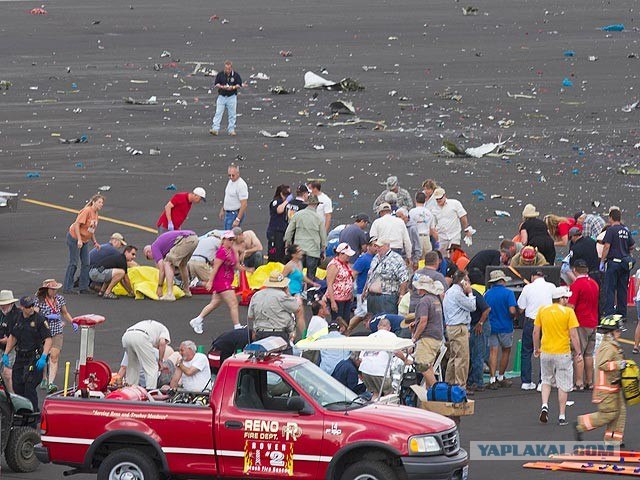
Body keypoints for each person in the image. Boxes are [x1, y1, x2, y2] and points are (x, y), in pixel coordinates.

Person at [575, 315, 627, 445]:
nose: (619, 333)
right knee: (609, 414)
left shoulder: (612, 345)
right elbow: (602, 364)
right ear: (610, 332)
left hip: (615, 386)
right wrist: (619, 365)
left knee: (620, 413)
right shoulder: (608, 347)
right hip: (607, 389)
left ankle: (613, 440)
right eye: (617, 330)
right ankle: (581, 424)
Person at [534, 286, 581, 426]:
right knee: (563, 384)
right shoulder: (568, 312)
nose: (568, 300)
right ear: (561, 299)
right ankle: (561, 415)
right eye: (566, 297)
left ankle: (544, 405)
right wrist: (578, 352)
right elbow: (573, 335)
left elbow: (536, 332)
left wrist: (537, 348)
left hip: (546, 351)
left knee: (546, 380)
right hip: (562, 352)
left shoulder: (542, 310)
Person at [3, 296, 52, 411]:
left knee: (29, 388)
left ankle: (33, 415)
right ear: (22, 307)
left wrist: (44, 356)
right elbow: (13, 337)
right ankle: (23, 412)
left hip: (34, 358)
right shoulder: (17, 318)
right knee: (17, 386)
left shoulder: (39, 319)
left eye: (32, 306)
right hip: (20, 357)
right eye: (28, 306)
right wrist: (6, 353)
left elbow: (48, 339)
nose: (31, 308)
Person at [190, 230, 243, 334]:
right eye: (230, 239)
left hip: (227, 279)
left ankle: (198, 320)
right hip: (222, 281)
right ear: (223, 240)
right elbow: (215, 268)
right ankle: (237, 326)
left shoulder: (231, 251)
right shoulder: (221, 252)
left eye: (233, 239)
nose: (232, 241)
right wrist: (210, 282)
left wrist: (247, 269)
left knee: (214, 303)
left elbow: (235, 265)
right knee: (233, 303)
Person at [34, 279, 77, 393]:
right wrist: (47, 317)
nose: (55, 291)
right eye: (52, 289)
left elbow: (64, 312)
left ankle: (51, 383)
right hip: (43, 331)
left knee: (54, 356)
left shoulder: (60, 299)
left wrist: (73, 321)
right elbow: (35, 315)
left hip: (57, 330)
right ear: (46, 290)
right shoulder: (39, 300)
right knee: (45, 355)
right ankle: (44, 377)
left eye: (56, 289)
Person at [517, 271, 555, 391]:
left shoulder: (528, 288)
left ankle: (526, 382)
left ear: (533, 277)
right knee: (546, 352)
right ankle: (542, 381)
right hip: (547, 321)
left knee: (526, 352)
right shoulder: (551, 287)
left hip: (531, 321)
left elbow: (521, 307)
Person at [359, 318, 411, 399]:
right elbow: (397, 351)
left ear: (378, 327)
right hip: (379, 371)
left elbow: (361, 358)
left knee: (376, 394)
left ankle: (373, 409)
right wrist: (405, 360)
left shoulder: (370, 336)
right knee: (388, 394)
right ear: (389, 328)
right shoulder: (391, 336)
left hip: (365, 370)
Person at [247, 272, 299, 352]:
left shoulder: (257, 295)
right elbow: (296, 308)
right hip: (278, 333)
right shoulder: (282, 296)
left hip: (260, 333)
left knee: (262, 359)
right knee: (284, 359)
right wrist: (288, 294)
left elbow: (250, 316)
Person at [408, 274, 445, 388]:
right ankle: (431, 394)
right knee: (429, 367)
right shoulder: (435, 299)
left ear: (421, 289)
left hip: (427, 338)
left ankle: (436, 390)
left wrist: (414, 337)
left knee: (422, 366)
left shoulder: (424, 301)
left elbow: (424, 321)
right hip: (437, 337)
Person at [64, 193, 104, 294]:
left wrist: (95, 242)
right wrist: (79, 240)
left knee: (86, 263)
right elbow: (77, 224)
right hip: (74, 238)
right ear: (94, 202)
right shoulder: (87, 211)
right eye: (99, 202)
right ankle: (67, 287)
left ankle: (83, 287)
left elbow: (91, 230)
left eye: (102, 203)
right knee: (73, 262)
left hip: (85, 240)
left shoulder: (96, 214)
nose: (101, 204)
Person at [569, 260, 599, 390]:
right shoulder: (594, 284)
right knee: (589, 354)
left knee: (578, 352)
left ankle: (579, 382)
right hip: (593, 322)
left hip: (580, 322)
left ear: (575, 270)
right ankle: (590, 381)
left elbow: (571, 306)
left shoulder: (576, 285)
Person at [484, 270, 517, 389]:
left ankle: (492, 378)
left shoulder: (487, 294)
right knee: (506, 351)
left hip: (492, 326)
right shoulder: (508, 293)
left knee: (493, 352)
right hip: (506, 326)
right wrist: (514, 317)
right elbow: (512, 310)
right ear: (502, 281)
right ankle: (501, 376)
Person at [143, 230, 198, 301]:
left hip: (185, 240)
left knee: (168, 263)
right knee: (182, 265)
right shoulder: (161, 246)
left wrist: (160, 287)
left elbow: (162, 269)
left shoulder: (154, 247)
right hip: (194, 238)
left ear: (148, 252)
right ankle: (187, 290)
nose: (151, 259)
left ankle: (170, 294)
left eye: (147, 257)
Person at [443, 271, 476, 387]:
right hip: (459, 327)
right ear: (462, 281)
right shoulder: (458, 294)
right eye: (467, 281)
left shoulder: (449, 292)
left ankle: (449, 384)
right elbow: (472, 306)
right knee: (462, 358)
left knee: (453, 357)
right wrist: (470, 293)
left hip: (451, 327)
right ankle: (460, 386)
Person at [284, 194, 327, 281]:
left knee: (296, 275)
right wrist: (323, 250)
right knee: (311, 276)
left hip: (299, 250)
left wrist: (287, 245)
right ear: (317, 205)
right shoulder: (319, 218)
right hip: (313, 250)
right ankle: (309, 293)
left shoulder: (298, 215)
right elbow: (323, 236)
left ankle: (296, 292)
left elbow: (289, 232)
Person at [600, 209, 635, 317]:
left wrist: (602, 260)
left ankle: (609, 313)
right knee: (622, 289)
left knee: (610, 289)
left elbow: (606, 246)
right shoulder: (625, 230)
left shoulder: (611, 230)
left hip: (613, 263)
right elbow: (632, 245)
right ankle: (622, 313)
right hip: (624, 263)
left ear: (611, 217)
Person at [363, 239, 409, 316]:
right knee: (372, 322)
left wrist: (401, 296)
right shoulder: (375, 258)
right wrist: (365, 290)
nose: (377, 249)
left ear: (387, 246)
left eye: (380, 246)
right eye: (376, 246)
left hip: (387, 298)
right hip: (372, 297)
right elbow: (370, 275)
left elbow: (404, 279)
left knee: (386, 321)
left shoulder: (396, 259)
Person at [121, 320, 171, 390]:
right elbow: (162, 343)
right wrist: (160, 361)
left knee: (133, 366)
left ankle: (131, 389)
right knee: (152, 367)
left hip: (126, 336)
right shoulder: (164, 330)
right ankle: (150, 392)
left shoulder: (152, 326)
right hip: (142, 336)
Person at [282, 244, 320, 332]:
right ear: (293, 255)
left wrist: (312, 283)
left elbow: (301, 276)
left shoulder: (299, 263)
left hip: (297, 292)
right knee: (298, 313)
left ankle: (301, 335)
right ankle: (299, 334)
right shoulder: (289, 266)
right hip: (291, 293)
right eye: (299, 251)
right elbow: (282, 278)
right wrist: (286, 292)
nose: (301, 253)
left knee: (299, 314)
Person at [347, 239, 378, 333]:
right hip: (363, 293)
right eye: (374, 245)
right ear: (368, 246)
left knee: (360, 315)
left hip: (368, 292)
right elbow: (353, 274)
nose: (376, 248)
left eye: (377, 246)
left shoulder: (376, 258)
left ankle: (346, 331)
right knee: (373, 314)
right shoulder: (363, 259)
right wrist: (351, 290)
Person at [431, 188, 472, 255]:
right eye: (437, 199)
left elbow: (463, 216)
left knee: (454, 254)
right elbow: (433, 223)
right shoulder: (433, 208)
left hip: (454, 234)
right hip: (441, 235)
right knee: (442, 256)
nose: (438, 200)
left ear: (445, 196)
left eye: (440, 198)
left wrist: (466, 229)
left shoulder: (454, 203)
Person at [209, 60, 242, 136]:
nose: (227, 70)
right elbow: (216, 84)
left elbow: (239, 85)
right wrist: (222, 87)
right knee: (218, 113)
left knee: (232, 114)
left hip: (232, 97)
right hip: (222, 96)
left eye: (229, 69)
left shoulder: (236, 75)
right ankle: (215, 129)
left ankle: (231, 130)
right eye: (226, 69)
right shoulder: (220, 74)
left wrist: (232, 87)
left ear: (231, 68)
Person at [468, 287, 491, 393]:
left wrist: (480, 323)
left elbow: (487, 309)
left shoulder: (474, 293)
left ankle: (478, 382)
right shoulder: (467, 293)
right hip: (474, 323)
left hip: (479, 324)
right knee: (474, 354)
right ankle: (473, 380)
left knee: (478, 354)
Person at [325, 243, 355, 321]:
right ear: (341, 254)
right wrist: (332, 301)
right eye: (347, 255)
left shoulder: (346, 264)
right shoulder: (334, 265)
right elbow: (330, 284)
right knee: (339, 321)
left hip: (346, 298)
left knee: (346, 320)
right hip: (337, 298)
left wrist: (350, 293)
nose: (349, 257)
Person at [0, 290, 21, 393]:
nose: (2, 307)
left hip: (13, 349)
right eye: (1, 305)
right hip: (1, 347)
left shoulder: (17, 315)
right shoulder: (1, 313)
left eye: (4, 304)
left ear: (11, 303)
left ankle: (12, 396)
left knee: (7, 373)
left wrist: (5, 341)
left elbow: (12, 338)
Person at [266, 185, 291, 263]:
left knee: (282, 252)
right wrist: (287, 201)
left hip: (283, 230)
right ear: (281, 193)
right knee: (275, 252)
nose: (287, 196)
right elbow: (279, 210)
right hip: (275, 231)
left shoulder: (286, 204)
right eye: (286, 194)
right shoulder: (276, 202)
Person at [219, 165, 248, 230]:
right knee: (227, 233)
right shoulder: (231, 181)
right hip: (229, 213)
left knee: (229, 236)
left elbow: (244, 203)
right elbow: (228, 196)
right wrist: (223, 209)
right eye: (229, 175)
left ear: (238, 174)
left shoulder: (241, 185)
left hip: (234, 214)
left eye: (233, 175)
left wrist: (237, 219)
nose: (231, 177)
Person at [409, 191, 438, 256]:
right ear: (425, 200)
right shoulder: (429, 213)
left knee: (416, 259)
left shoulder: (411, 212)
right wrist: (438, 241)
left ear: (415, 200)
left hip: (416, 238)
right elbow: (433, 230)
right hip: (426, 238)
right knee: (427, 259)